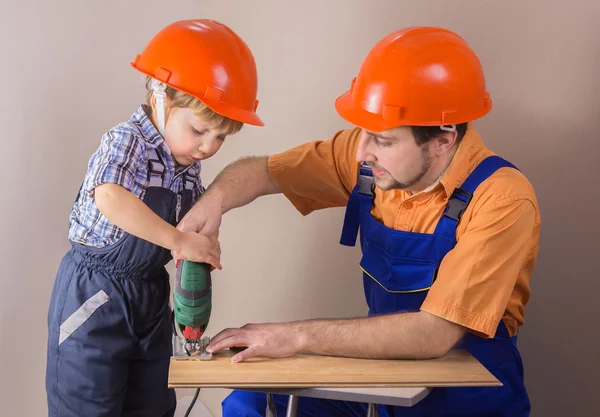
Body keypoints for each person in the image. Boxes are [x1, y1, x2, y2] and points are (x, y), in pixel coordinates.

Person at [177, 26, 540, 416]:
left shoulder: (502, 199)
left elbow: (435, 333)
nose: (362, 151)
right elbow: (264, 171)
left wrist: (292, 335)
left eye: (383, 140)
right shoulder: (369, 159)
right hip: (387, 374)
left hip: (466, 396)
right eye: (364, 133)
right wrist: (211, 205)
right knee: (250, 402)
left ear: (444, 138)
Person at [45, 19, 263, 417]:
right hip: (96, 296)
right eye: (199, 130)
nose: (208, 148)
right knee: (89, 404)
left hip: (149, 295)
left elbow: (181, 225)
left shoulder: (186, 160)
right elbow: (110, 196)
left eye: (220, 138)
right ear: (162, 100)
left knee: (152, 403)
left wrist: (196, 245)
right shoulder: (128, 140)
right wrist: (178, 242)